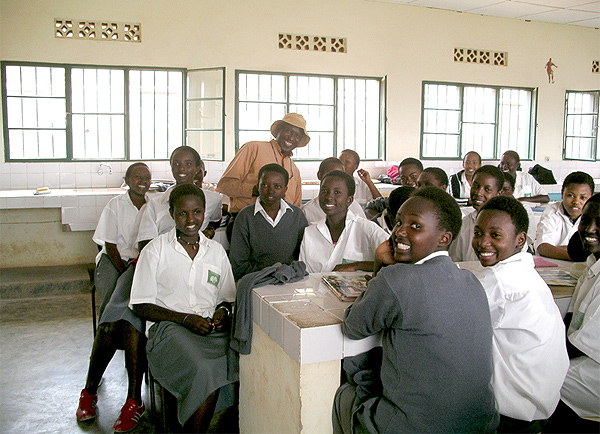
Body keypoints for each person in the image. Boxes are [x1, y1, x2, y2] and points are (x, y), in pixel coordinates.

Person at [332, 187, 499, 434]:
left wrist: (380, 265)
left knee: (344, 394)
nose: (399, 231)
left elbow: (352, 327)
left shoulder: (396, 279)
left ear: (444, 238)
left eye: (415, 226)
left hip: (413, 428)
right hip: (480, 424)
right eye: (399, 222)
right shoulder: (471, 280)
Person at [130, 184, 236, 433]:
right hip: (169, 329)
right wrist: (184, 319)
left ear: (204, 213)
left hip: (208, 329)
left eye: (197, 212)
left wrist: (221, 313)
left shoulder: (216, 251)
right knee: (205, 369)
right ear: (171, 213)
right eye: (182, 213)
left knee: (239, 361)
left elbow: (226, 298)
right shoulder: (156, 250)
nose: (191, 220)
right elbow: (141, 305)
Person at [470, 196, 569, 433]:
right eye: (478, 232)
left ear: (520, 239)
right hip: (539, 404)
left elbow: (440, 317)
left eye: (495, 235)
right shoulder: (523, 270)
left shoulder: (500, 280)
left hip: (512, 416)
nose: (483, 243)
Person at [76, 162, 151, 432]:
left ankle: (132, 398)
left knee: (132, 313)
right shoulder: (116, 205)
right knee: (112, 307)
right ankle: (89, 390)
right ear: (127, 179)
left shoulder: (153, 205)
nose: (142, 181)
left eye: (146, 177)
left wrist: (135, 271)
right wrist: (123, 273)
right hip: (114, 261)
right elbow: (109, 244)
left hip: (141, 263)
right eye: (137, 177)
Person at [545, 193, 600, 433]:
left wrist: (540, 357)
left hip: (594, 370)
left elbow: (577, 345)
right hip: (589, 360)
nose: (590, 229)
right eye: (586, 220)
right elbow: (571, 320)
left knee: (540, 384)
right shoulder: (592, 264)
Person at [216, 113, 309, 239]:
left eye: (297, 135)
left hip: (281, 229)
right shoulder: (253, 148)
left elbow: (296, 207)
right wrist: (254, 190)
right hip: (246, 223)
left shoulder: (295, 171)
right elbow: (224, 186)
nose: (292, 137)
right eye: (288, 131)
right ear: (279, 131)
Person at [229, 163, 308, 281]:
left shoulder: (297, 215)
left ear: (285, 189)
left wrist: (285, 274)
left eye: (277, 186)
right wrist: (268, 275)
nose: (270, 191)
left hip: (289, 280)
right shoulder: (245, 216)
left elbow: (302, 258)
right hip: (255, 281)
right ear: (258, 186)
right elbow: (238, 264)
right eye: (265, 185)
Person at [299, 170, 388, 273]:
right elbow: (304, 275)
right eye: (324, 191)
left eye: (337, 192)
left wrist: (357, 266)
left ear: (349, 200)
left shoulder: (367, 229)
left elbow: (395, 261)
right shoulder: (310, 233)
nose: (329, 197)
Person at [137, 146, 222, 250]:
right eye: (176, 164)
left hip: (199, 258)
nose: (182, 168)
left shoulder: (213, 199)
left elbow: (215, 220)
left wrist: (210, 230)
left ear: (197, 168)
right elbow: (145, 243)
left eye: (188, 164)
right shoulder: (154, 204)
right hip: (164, 260)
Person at [535, 171, 594, 260]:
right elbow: (543, 248)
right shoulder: (552, 211)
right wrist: (580, 256)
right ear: (562, 193)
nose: (576, 202)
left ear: (591, 198)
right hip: (555, 266)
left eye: (583, 198)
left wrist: (557, 249)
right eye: (570, 195)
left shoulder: (595, 216)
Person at [449, 165, 504, 262]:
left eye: (487, 189)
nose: (478, 193)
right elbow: (455, 260)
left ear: (499, 193)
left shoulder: (508, 223)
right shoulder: (464, 224)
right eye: (475, 186)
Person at [302, 157, 366, 224]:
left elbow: (364, 228)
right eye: (331, 174)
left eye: (341, 175)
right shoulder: (307, 211)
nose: (336, 179)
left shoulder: (353, 205)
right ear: (319, 175)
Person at [499, 172, 537, 249]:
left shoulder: (525, 209)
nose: (501, 193)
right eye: (499, 189)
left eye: (506, 189)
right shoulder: (491, 209)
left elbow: (530, 237)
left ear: (512, 190)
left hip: (520, 249)